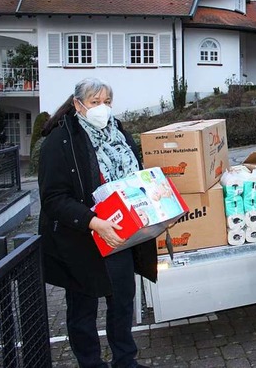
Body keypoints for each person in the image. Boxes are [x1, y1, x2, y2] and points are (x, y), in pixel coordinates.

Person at [38, 77, 156, 368]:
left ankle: (125, 360)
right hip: (81, 239)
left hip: (120, 235)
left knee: (123, 302)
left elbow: (134, 176)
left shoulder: (119, 133)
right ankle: (90, 363)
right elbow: (53, 199)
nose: (102, 108)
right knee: (83, 310)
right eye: (94, 102)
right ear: (78, 104)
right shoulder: (60, 140)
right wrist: (93, 221)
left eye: (106, 102)